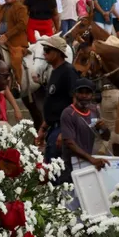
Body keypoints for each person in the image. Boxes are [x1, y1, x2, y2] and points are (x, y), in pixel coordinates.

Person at [39, 35, 81, 167]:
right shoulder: (55, 71)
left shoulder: (69, 72)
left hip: (61, 129)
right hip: (53, 128)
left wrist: (65, 131)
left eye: (47, 50)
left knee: (58, 174)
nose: (44, 53)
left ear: (58, 53)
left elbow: (76, 103)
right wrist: (43, 128)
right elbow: (55, 104)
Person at [59, 78, 111, 179]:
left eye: (87, 93)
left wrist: (104, 128)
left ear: (92, 95)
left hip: (86, 164)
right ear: (74, 94)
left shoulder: (94, 110)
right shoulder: (68, 113)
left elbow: (106, 137)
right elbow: (69, 143)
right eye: (80, 92)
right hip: (70, 166)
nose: (84, 96)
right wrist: (91, 159)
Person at [0, 0, 29, 88]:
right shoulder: (1, 8)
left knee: (15, 59)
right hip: (0, 40)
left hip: (16, 42)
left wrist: (7, 36)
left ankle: (17, 84)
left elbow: (22, 24)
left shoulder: (21, 7)